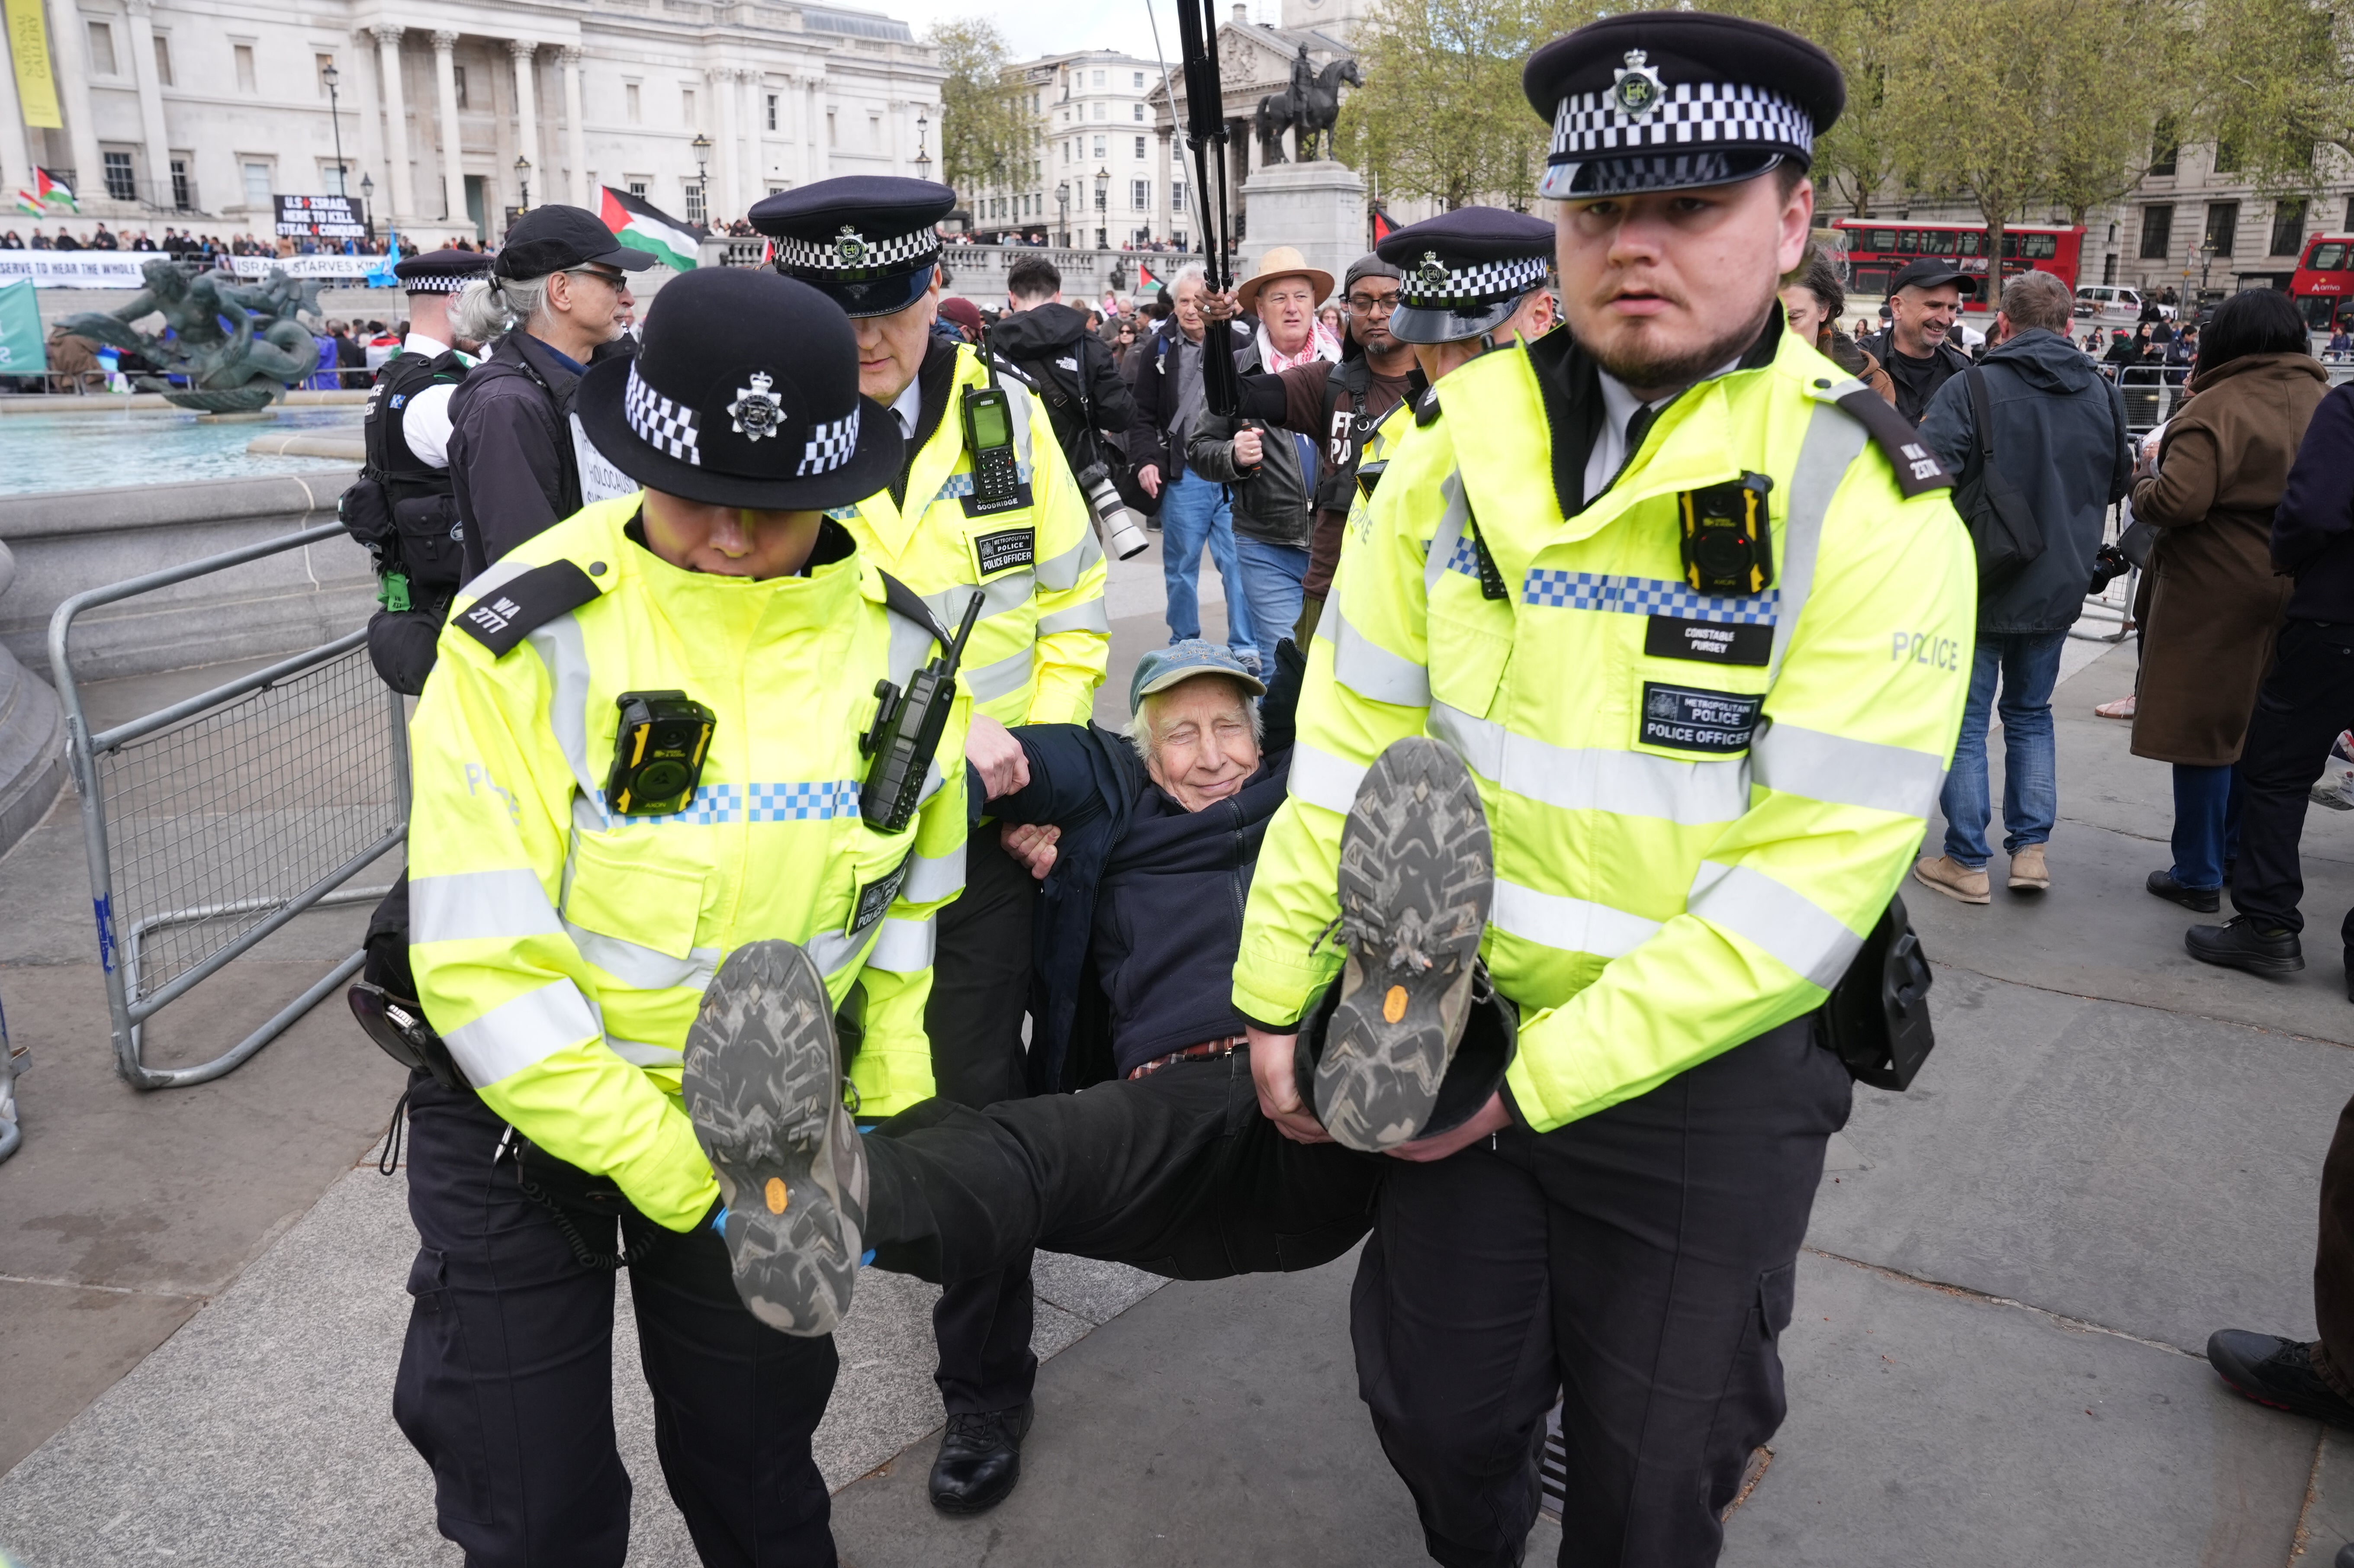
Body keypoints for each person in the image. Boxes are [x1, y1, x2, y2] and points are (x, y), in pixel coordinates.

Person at [1238, 11, 1974, 1562]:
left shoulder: (1867, 495)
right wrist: (1273, 982)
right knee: (1435, 1413)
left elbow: (1811, 881)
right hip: (1447, 1024)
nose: (1631, 246)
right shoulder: (1437, 451)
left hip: (1702, 1078)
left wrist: (1545, 1081)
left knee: (1653, 1477)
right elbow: (1350, 749)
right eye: (1596, 210)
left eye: (1689, 207)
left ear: (1790, 221)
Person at [394, 263, 946, 1567]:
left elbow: (914, 896)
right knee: (533, 1507)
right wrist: (661, 1157)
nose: (734, 540)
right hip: (523, 1128)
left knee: (757, 1472)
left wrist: (892, 1102)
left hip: (771, 1117)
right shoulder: (523, 631)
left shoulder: (908, 648)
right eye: (700, 499)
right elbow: (480, 952)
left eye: (778, 510)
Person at [750, 174, 1109, 1517]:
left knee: (976, 1122)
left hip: (967, 862)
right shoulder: (759, 418)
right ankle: (768, 1400)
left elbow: (1072, 605)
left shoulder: (1005, 413)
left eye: (889, 301)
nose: (865, 335)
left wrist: (1043, 772)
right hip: (793, 854)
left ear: (932, 279)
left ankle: (985, 1387)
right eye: (830, 307)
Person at [1909, 269, 2134, 903]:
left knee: (1967, 719)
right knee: (2032, 715)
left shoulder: (1971, 386)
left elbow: (1928, 477)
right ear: (2069, 326)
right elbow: (2118, 480)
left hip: (1979, 577)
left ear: (2002, 323)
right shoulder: (2102, 390)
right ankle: (2030, 852)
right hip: (2059, 577)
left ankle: (1966, 859)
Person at [2129, 289, 2329, 913]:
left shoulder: (2216, 406)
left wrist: (2142, 484)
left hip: (2213, 589)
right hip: (2299, 583)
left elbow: (2178, 501)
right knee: (2257, 732)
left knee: (2201, 735)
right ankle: (2240, 854)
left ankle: (2196, 870)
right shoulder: (2326, 401)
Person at [2186, 372, 2354, 985]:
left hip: (2338, 617)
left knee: (2278, 770)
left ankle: (2268, 925)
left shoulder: (2350, 405)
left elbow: (2312, 508)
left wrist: (2293, 560)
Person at [1206, 247, 1416, 646]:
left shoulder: (1441, 388)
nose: (1376, 313)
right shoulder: (1326, 382)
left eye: (1391, 301)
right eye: (1362, 302)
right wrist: (1217, 327)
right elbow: (1229, 401)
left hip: (1404, 589)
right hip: (1325, 584)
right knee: (1300, 696)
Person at [444, 205, 652, 582]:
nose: (629, 299)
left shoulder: (580, 383)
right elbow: (531, 578)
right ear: (561, 290)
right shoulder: (507, 408)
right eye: (614, 281)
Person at [346, 248, 495, 695]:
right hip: (455, 615)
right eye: (487, 303)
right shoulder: (437, 393)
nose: (495, 319)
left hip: (426, 602)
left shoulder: (398, 377)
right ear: (457, 304)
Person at [1189, 247, 1340, 668]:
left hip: (1341, 540)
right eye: (1278, 298)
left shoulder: (1348, 367)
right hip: (1265, 544)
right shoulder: (1235, 369)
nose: (1292, 309)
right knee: (1284, 666)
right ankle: (1282, 737)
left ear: (1316, 303)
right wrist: (1233, 457)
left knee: (1339, 663)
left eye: (1301, 297)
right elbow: (1199, 448)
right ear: (1258, 307)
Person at [1130, 264, 1257, 664]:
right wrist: (1148, 460)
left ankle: (1246, 646)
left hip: (1232, 475)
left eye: (1197, 301)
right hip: (1185, 476)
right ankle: (1185, 644)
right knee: (1181, 567)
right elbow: (1142, 414)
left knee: (1238, 565)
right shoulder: (1159, 348)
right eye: (1183, 301)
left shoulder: (1241, 342)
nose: (1189, 309)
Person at [987, 252, 1137, 481]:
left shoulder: (989, 349)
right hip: (1076, 476)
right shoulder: (1089, 344)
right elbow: (1120, 415)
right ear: (1058, 296)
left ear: (1012, 297)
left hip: (1014, 478)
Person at [1858, 256, 1975, 423]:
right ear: (1898, 307)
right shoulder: (1860, 364)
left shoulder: (1966, 375)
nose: (1945, 319)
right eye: (1934, 306)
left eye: (1952, 308)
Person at [1780, 243, 1895, 405]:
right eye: (1765, 319)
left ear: (1824, 309)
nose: (1779, 331)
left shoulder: (1873, 386)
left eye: (1793, 318)